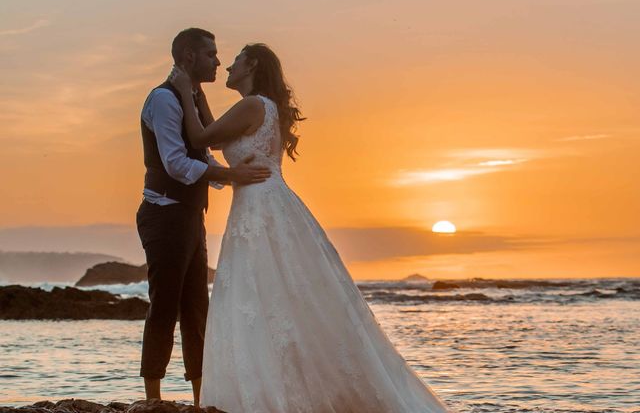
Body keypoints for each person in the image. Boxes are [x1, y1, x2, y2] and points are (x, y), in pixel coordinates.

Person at [169, 43, 453, 412]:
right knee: (273, 297)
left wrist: (183, 94)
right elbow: (216, 135)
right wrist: (199, 95)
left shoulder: (253, 105)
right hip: (265, 203)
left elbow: (199, 139)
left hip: (259, 209)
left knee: (260, 294)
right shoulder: (260, 107)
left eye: (235, 59)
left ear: (251, 64)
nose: (227, 66)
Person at [136, 28, 271, 406]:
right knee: (164, 303)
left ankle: (200, 398)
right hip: (163, 213)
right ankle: (153, 399)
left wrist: (226, 176)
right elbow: (175, 163)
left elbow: (200, 155)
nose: (217, 61)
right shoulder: (164, 100)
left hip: (189, 214)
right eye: (211, 54)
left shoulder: (190, 96)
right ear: (188, 57)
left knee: (197, 307)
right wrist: (230, 175)